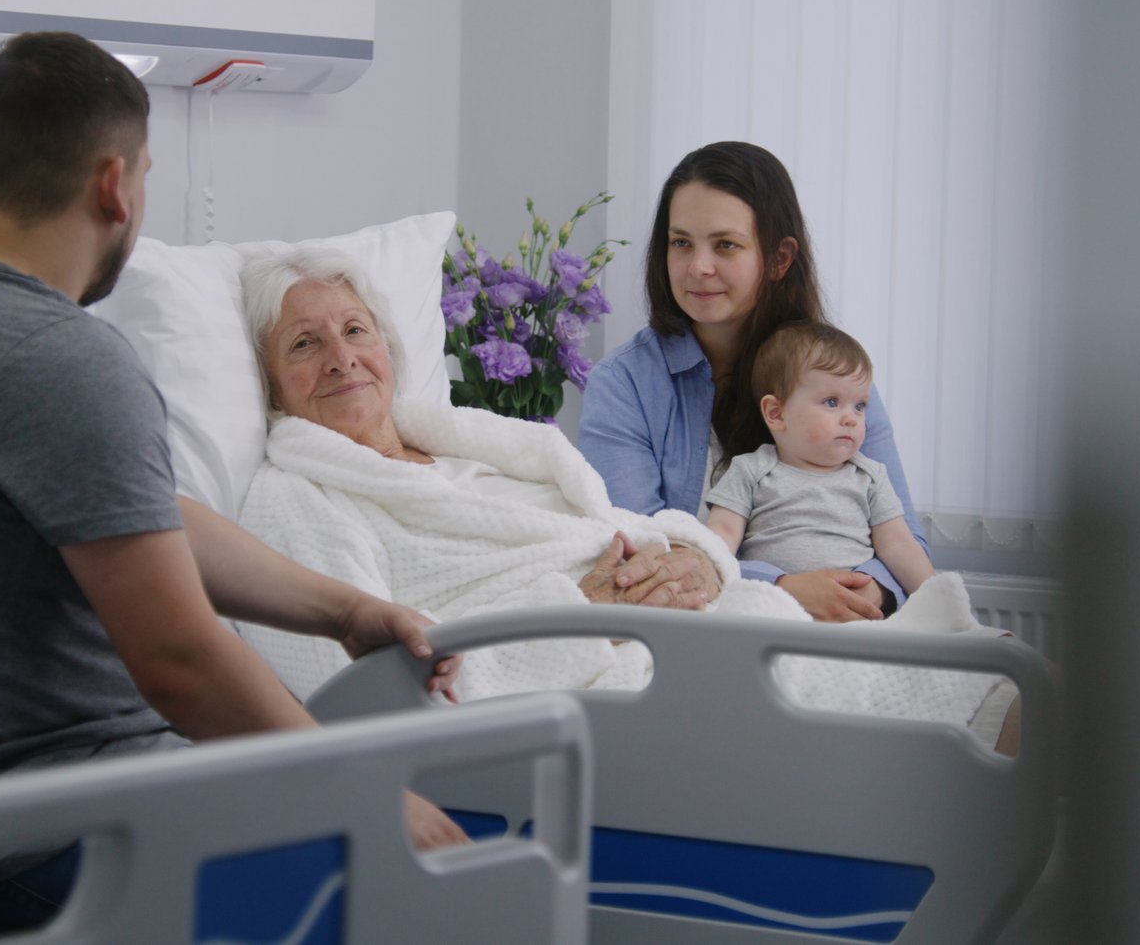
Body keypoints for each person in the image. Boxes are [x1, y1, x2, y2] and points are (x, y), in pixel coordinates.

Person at [0, 32, 462, 941]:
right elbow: (177, 658)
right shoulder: (57, 355)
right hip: (45, 843)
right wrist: (362, 792)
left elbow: (137, 516)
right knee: (454, 888)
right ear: (114, 185)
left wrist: (342, 611)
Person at [228, 248, 1011, 752]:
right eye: (305, 343)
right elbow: (351, 695)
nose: (342, 358)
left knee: (988, 674)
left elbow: (632, 525)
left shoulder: (481, 444)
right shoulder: (296, 500)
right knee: (968, 708)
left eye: (356, 330)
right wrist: (579, 612)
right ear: (267, 384)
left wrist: (700, 562)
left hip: (684, 626)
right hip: (592, 692)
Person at [579, 141, 930, 623]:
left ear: (780, 258)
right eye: (681, 242)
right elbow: (643, 552)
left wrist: (869, 591)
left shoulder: (834, 378)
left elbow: (903, 534)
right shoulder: (623, 384)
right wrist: (780, 588)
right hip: (703, 636)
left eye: (725, 245)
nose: (698, 267)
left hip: (855, 625)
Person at [705, 321, 935, 596]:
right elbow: (721, 536)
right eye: (831, 402)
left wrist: (940, 606)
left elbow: (900, 546)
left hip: (853, 610)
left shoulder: (870, 477)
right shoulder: (750, 470)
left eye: (860, 405)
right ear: (776, 413)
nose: (851, 418)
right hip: (770, 607)